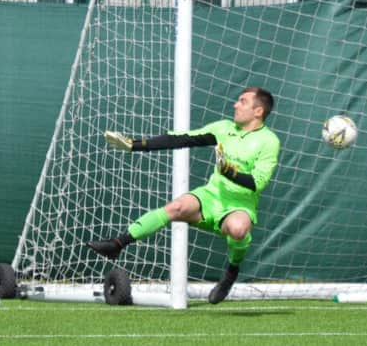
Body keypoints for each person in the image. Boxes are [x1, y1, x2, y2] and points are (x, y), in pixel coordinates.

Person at [87, 87, 280, 304]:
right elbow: (182, 139)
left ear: (258, 111)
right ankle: (117, 244)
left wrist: (229, 171)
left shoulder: (269, 141)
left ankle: (230, 272)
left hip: (239, 205)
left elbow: (258, 183)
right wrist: (135, 145)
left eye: (242, 102)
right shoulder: (224, 128)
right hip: (211, 196)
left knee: (238, 230)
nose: (235, 105)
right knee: (176, 207)